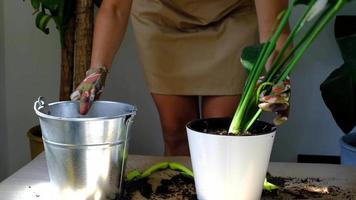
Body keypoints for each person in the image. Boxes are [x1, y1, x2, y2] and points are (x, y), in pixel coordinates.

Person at [70, 0, 290, 156]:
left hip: (232, 17)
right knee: (175, 130)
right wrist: (97, 71)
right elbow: (115, 8)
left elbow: (275, 26)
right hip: (160, 17)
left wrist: (277, 77)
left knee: (222, 134)